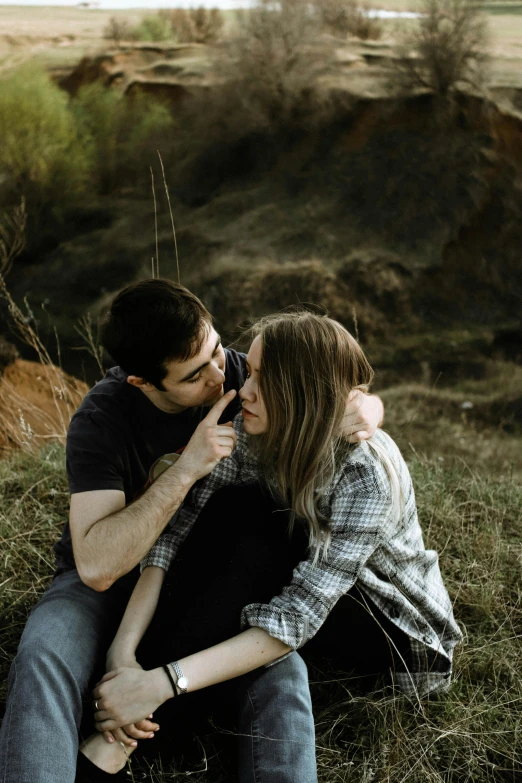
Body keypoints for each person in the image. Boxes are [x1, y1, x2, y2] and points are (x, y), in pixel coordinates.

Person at [0, 281, 383, 783]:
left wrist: (365, 409)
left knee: (283, 678)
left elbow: (328, 389)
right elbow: (96, 567)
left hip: (212, 577)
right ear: (142, 382)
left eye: (217, 351)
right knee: (44, 655)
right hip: (112, 582)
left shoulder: (241, 373)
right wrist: (185, 470)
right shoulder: (103, 417)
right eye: (194, 375)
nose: (221, 376)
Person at [87, 310, 462, 781]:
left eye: (262, 378)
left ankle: (126, 736)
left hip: (392, 632)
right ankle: (132, 696)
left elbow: (299, 615)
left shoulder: (365, 476)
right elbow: (174, 539)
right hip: (307, 582)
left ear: (302, 392)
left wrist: (164, 682)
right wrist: (123, 652)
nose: (243, 387)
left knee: (261, 532)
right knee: (227, 515)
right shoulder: (253, 429)